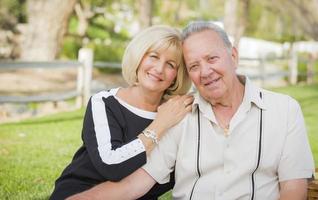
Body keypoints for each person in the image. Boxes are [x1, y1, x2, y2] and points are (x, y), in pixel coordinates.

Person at [67, 21, 315, 200]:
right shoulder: (180, 115)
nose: (205, 72)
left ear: (234, 56)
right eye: (194, 65)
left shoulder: (284, 110)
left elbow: (293, 189)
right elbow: (132, 186)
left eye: (212, 59)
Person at [49, 25, 193, 200]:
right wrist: (160, 124)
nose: (159, 68)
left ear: (176, 76)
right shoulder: (104, 102)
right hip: (81, 191)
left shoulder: (177, 113)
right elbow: (110, 164)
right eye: (153, 56)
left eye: (170, 64)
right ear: (139, 57)